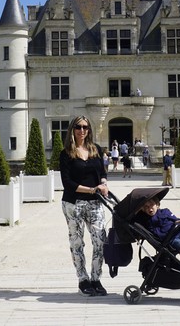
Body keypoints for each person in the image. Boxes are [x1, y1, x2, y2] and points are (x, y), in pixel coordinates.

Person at [59, 115, 110, 297]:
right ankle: (83, 280)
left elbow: (102, 173)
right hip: (74, 203)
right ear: (72, 129)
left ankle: (96, 279)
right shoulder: (66, 153)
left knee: (100, 241)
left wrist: (103, 184)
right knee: (77, 243)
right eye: (78, 127)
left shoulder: (95, 149)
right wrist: (90, 189)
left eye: (85, 127)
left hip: (95, 202)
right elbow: (67, 183)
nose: (82, 131)